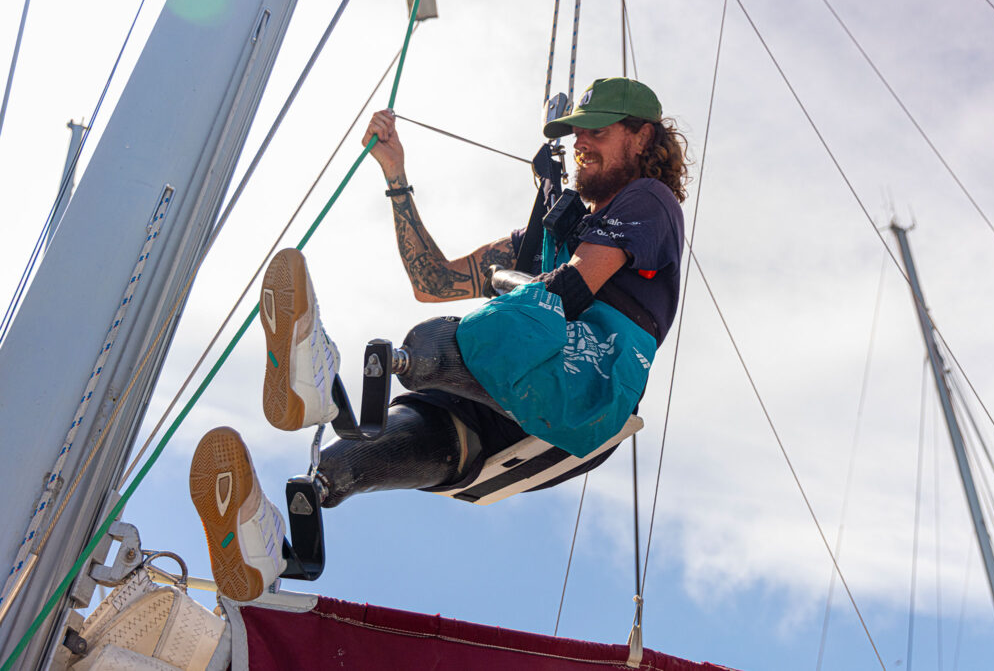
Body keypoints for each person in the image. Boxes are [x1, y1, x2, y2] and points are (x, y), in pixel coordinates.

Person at [189, 77, 689, 601]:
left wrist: (546, 220)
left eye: (598, 132)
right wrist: (396, 174)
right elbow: (433, 281)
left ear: (641, 138)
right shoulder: (548, 237)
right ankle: (268, 544)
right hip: (501, 410)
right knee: (353, 461)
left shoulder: (648, 201)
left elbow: (571, 286)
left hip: (584, 387)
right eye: (577, 135)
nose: (582, 144)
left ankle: (327, 379)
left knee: (436, 342)